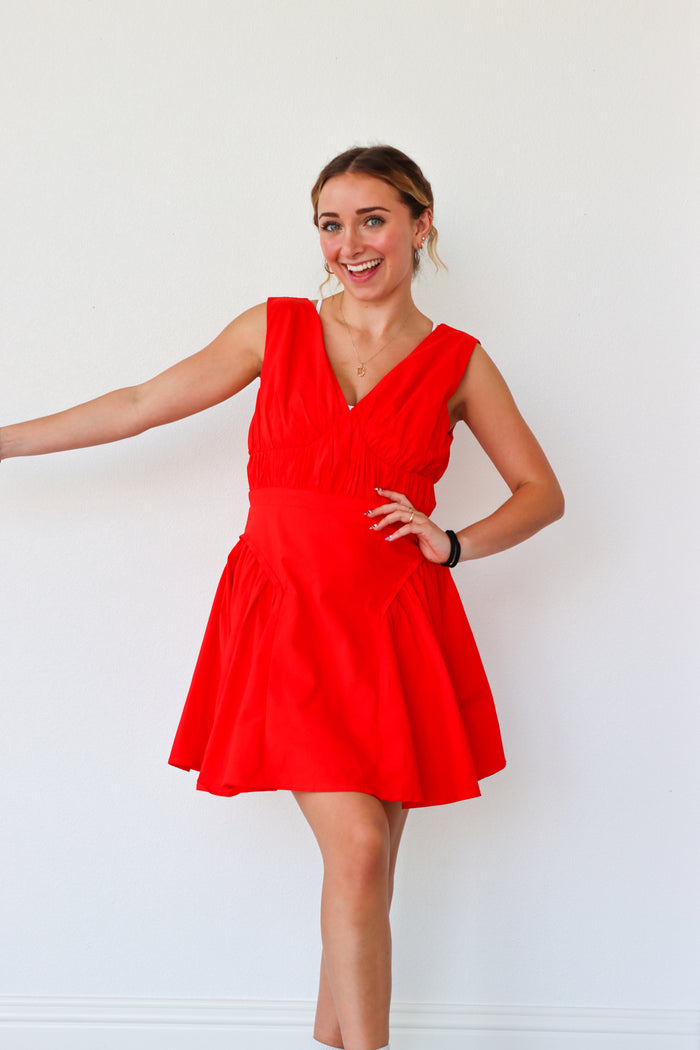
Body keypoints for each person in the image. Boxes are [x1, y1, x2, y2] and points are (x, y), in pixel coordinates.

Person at [1, 145, 564, 1050]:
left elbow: (543, 492)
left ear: (420, 226)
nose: (349, 243)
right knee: (359, 851)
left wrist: (453, 542)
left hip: (394, 625)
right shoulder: (276, 329)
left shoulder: (459, 362)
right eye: (330, 224)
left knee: (368, 872)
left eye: (372, 219)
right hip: (286, 618)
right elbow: (139, 401)